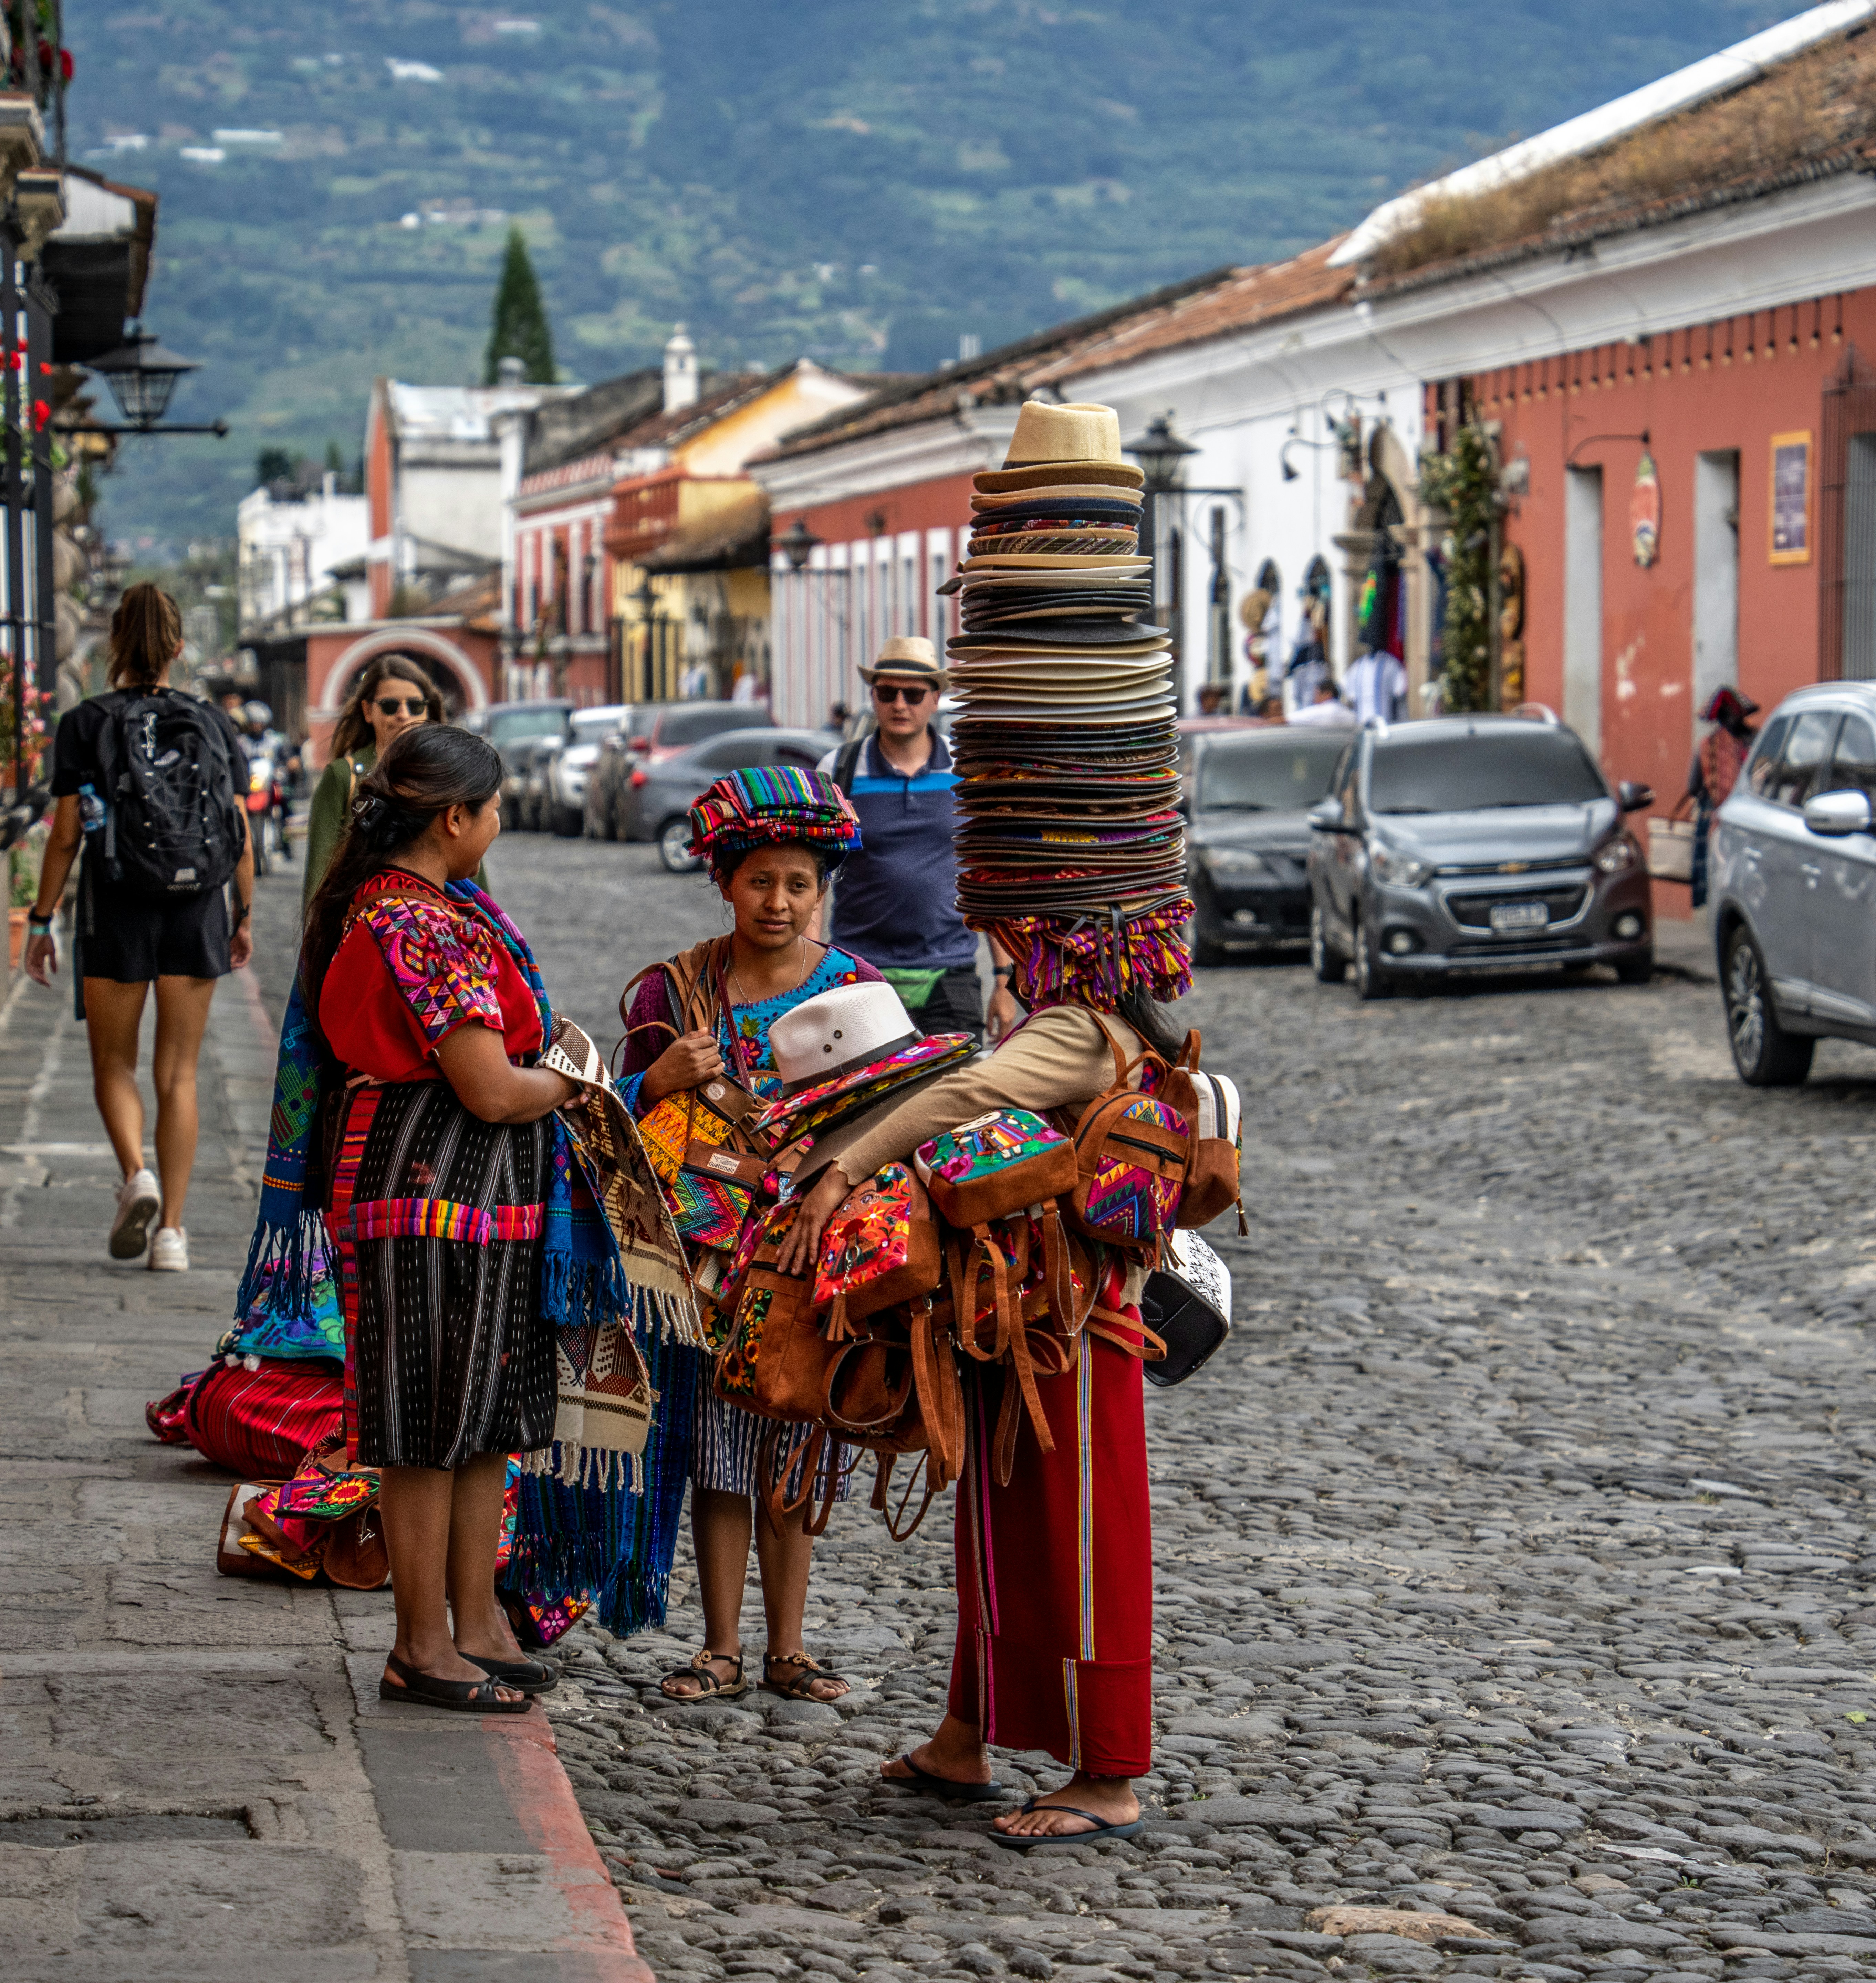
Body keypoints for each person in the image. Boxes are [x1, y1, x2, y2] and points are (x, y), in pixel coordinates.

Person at [778, 911, 1190, 1845]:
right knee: (1003, 1531)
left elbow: (968, 1093)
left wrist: (843, 1167)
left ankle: (1109, 1773)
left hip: (1076, 1328)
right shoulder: (1097, 1026)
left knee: (1084, 1539)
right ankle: (964, 1738)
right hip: (1035, 1319)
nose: (999, 956)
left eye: (1011, 942)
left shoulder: (1077, 1029)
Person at [293, 724, 582, 1711]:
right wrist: (579, 1084)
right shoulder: (420, 924)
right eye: (494, 808)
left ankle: (474, 1619)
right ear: (455, 818)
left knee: (480, 1409)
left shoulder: (410, 909)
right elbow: (491, 1088)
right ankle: (422, 1641)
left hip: (459, 1192)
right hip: (429, 1187)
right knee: (424, 1417)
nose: (498, 824)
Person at [616, 767, 878, 1707]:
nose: (778, 901)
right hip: (708, 1272)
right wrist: (657, 1083)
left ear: (824, 890)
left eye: (798, 884)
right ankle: (721, 1647)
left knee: (798, 1452)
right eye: (760, 880)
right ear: (725, 881)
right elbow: (606, 1125)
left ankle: (789, 1649)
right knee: (718, 1456)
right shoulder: (673, 994)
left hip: (817, 1259)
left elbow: (900, 1114)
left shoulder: (858, 991)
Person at [23, 583, 254, 1272]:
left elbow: (66, 835)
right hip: (197, 907)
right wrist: (242, 916)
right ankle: (174, 1237)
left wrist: (41, 919)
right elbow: (239, 832)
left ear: (116, 645)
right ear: (180, 648)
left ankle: (136, 1175)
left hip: (116, 905)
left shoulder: (86, 721)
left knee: (114, 1065)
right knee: (179, 1073)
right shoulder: (213, 722)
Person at [821, 635, 1018, 1043]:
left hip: (951, 971)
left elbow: (987, 876)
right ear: (873, 696)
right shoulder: (838, 769)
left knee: (960, 1099)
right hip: (860, 972)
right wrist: (805, 976)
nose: (899, 705)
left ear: (935, 698)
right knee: (867, 1101)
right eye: (887, 692)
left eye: (912, 694)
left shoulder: (967, 773)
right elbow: (815, 881)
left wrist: (1003, 981)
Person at [302, 656, 445, 906]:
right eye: (390, 706)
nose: (403, 715)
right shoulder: (342, 777)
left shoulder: (448, 774)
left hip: (436, 931)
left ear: (428, 711)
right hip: (363, 927)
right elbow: (319, 875)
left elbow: (474, 878)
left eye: (415, 705)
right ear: (368, 711)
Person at [1672, 686, 1759, 909]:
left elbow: (1693, 786)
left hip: (1719, 820)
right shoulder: (1756, 741)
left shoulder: (1708, 746)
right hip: (1749, 820)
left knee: (1720, 875)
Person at [1343, 646, 1408, 725]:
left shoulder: (1390, 664)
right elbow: (1400, 692)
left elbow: (1399, 693)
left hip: (1380, 723)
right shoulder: (1357, 666)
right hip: (1375, 724)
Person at [1289, 676, 1357, 729]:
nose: (1314, 700)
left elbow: (1289, 720)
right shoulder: (1350, 714)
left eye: (1317, 695)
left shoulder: (1327, 710)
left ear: (1327, 695)